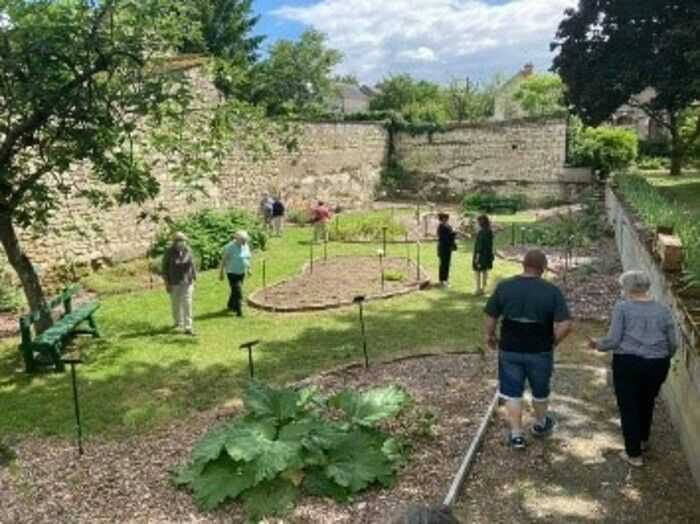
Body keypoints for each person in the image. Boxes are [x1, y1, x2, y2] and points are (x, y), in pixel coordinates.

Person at [587, 270, 677, 467]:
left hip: (629, 363)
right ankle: (643, 439)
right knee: (647, 400)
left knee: (629, 406)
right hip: (658, 363)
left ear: (626, 288)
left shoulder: (623, 308)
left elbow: (614, 339)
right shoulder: (663, 310)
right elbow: (673, 342)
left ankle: (633, 454)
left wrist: (597, 344)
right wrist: (664, 357)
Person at [484, 249, 572, 449]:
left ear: (523, 264)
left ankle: (516, 436)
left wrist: (490, 336)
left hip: (510, 348)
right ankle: (540, 426)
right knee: (540, 390)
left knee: (512, 391)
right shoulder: (551, 291)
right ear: (542, 268)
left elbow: (491, 315)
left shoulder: (505, 287)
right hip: (540, 349)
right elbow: (566, 325)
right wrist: (553, 342)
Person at [162, 231, 196, 335]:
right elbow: (164, 269)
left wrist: (194, 278)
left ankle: (188, 326)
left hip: (187, 282)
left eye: (184, 240)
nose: (183, 243)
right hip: (174, 282)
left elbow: (192, 265)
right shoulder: (169, 252)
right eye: (180, 241)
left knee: (187, 304)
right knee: (176, 304)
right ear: (175, 242)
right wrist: (167, 283)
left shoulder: (188, 250)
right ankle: (178, 323)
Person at [219, 230, 252, 317]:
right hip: (232, 272)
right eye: (243, 240)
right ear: (237, 239)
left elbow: (247, 258)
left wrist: (249, 269)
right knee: (239, 291)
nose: (245, 242)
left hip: (241, 272)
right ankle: (239, 311)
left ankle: (230, 305)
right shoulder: (230, 247)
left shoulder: (246, 246)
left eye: (245, 240)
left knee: (235, 291)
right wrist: (221, 273)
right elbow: (223, 260)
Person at [472, 214, 494, 295]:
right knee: (485, 270)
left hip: (481, 254)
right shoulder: (489, 231)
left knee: (477, 271)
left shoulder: (481, 232)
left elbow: (479, 245)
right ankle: (483, 288)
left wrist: (477, 256)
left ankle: (478, 288)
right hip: (488, 253)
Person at [436, 212, 457, 287]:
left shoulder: (448, 226)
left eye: (447, 218)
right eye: (445, 218)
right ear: (442, 219)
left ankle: (446, 278)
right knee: (443, 264)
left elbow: (452, 234)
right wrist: (453, 233)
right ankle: (442, 280)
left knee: (447, 263)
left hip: (448, 247)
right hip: (443, 247)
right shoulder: (441, 227)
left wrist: (454, 232)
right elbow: (445, 237)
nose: (447, 220)